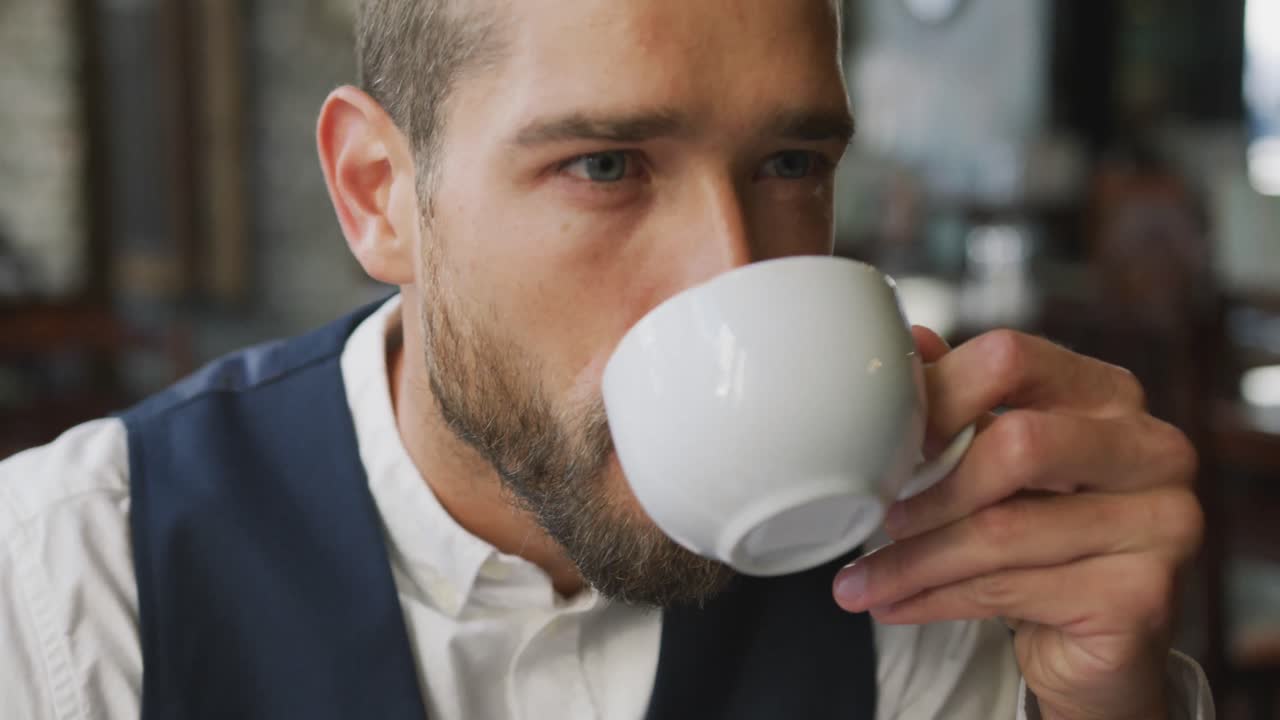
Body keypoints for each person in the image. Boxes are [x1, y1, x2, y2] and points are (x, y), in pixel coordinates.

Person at [0, 1, 1212, 718]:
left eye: (790, 164)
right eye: (603, 166)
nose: (730, 277)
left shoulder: (937, 557)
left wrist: (1109, 708)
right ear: (380, 196)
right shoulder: (71, 578)